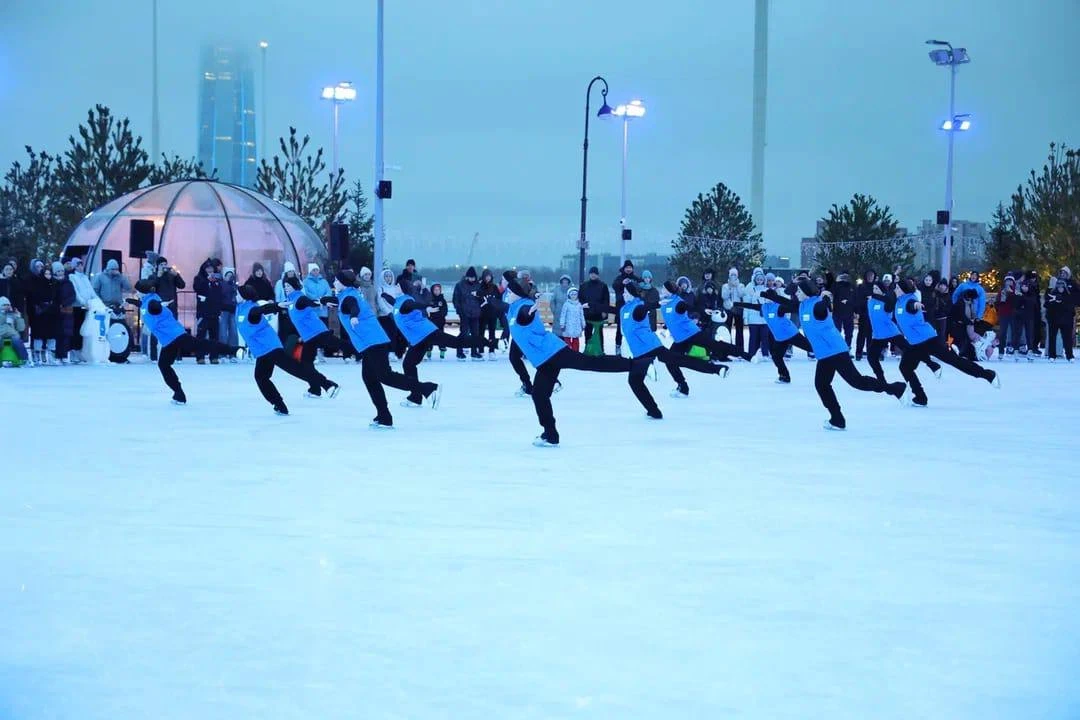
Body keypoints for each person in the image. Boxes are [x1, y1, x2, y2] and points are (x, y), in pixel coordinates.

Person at [504, 276, 633, 447]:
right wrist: (486, 299)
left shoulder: (523, 307)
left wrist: (533, 308)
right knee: (539, 395)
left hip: (553, 352)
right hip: (544, 361)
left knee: (590, 363)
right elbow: (502, 306)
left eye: (510, 292)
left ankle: (633, 364)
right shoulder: (511, 308)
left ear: (516, 294)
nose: (507, 294)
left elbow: (526, 314)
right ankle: (551, 435)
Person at [795, 277, 907, 430]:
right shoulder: (803, 305)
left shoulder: (816, 305)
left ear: (806, 292)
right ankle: (837, 419)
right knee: (822, 385)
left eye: (799, 291)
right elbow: (787, 301)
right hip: (825, 353)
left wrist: (826, 298)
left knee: (856, 382)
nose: (796, 293)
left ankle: (894, 388)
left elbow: (823, 308)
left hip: (835, 351)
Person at [335, 271, 439, 429]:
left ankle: (426, 388)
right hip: (373, 341)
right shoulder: (350, 294)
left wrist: (354, 316)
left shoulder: (349, 298)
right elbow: (346, 302)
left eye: (336, 280)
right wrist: (326, 300)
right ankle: (384, 416)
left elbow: (352, 306)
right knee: (370, 378)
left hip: (373, 342)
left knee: (385, 376)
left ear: (343, 283)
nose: (334, 283)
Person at [125, 280, 239, 405]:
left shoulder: (152, 302)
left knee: (201, 346)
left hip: (175, 337)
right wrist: (134, 302)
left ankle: (232, 350)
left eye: (137, 291)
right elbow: (145, 305)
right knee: (165, 364)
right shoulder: (147, 301)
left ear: (142, 292)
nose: (136, 293)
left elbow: (154, 306)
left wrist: (158, 306)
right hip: (170, 340)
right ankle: (178, 394)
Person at [619, 281, 727, 408]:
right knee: (677, 361)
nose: (623, 294)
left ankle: (655, 405)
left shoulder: (638, 306)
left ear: (631, 294)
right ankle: (702, 376)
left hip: (648, 348)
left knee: (635, 380)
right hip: (644, 348)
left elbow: (644, 308)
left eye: (626, 292)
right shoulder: (625, 308)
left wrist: (656, 304)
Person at [894, 278, 999, 407]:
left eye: (898, 288)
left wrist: (917, 306)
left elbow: (913, 305)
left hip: (928, 340)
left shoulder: (910, 300)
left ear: (904, 290)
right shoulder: (899, 301)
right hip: (915, 343)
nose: (895, 290)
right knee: (905, 367)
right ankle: (920, 398)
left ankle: (988, 374)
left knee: (954, 360)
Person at [236, 284, 338, 415]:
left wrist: (276, 306)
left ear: (244, 296)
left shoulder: (251, 309)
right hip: (262, 351)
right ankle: (279, 405)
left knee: (296, 369)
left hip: (271, 348)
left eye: (237, 294)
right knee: (261, 377)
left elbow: (262, 309)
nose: (235, 296)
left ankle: (328, 385)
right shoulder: (240, 308)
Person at [384, 289, 472, 406]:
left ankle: (420, 394)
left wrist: (426, 307)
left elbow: (414, 305)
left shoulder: (406, 301)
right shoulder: (398, 302)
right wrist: (383, 295)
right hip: (420, 336)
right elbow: (393, 301)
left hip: (422, 335)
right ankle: (416, 396)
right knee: (409, 364)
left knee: (408, 364)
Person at [736, 277, 812, 384]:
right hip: (780, 338)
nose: (767, 300)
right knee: (776, 356)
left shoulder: (779, 307)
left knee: (811, 348)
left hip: (791, 334)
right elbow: (751, 306)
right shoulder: (764, 307)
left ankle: (830, 354)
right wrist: (735, 304)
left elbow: (793, 308)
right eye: (766, 298)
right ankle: (784, 376)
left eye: (770, 298)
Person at [864, 283, 942, 383]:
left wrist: (875, 296)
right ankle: (881, 379)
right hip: (878, 335)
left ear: (882, 290)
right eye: (874, 288)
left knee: (911, 350)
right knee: (871, 357)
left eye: (877, 288)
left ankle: (932, 365)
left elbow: (890, 303)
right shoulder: (870, 301)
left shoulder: (886, 301)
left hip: (891, 332)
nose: (874, 290)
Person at [662, 280, 751, 363]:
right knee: (671, 359)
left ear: (668, 290)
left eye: (664, 288)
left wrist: (703, 310)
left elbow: (691, 307)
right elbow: (671, 319)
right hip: (680, 338)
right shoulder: (665, 303)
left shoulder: (678, 302)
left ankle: (745, 355)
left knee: (715, 345)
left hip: (691, 333)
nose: (662, 290)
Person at [285, 286, 344, 396]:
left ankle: (327, 386)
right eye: (285, 286)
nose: (286, 288)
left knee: (340, 345)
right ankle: (316, 389)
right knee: (306, 365)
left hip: (317, 332)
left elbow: (310, 302)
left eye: (288, 286)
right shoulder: (289, 301)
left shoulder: (299, 298)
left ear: (295, 286)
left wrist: (321, 302)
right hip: (309, 336)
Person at [67, 256, 98, 363]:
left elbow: (91, 291)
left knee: (83, 330)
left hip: (87, 307)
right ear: (75, 267)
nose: (81, 267)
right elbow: (76, 292)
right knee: (76, 329)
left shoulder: (85, 277)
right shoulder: (72, 277)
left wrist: (98, 302)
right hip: (77, 307)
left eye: (81, 265)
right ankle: (72, 351)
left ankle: (80, 351)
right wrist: (83, 302)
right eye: (79, 265)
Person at [193, 259, 223, 364]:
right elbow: (197, 288)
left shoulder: (217, 280)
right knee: (201, 335)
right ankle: (200, 357)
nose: (209, 270)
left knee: (214, 335)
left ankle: (214, 356)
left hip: (215, 312)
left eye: (211, 268)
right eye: (207, 268)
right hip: (203, 312)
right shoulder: (199, 278)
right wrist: (207, 281)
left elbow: (220, 294)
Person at [451, 266, 482, 360]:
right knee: (464, 332)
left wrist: (479, 297)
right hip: (464, 313)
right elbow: (456, 299)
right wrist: (459, 310)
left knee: (475, 333)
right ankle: (459, 352)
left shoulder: (478, 285)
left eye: (474, 277)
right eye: (470, 277)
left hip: (475, 313)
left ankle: (474, 352)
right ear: (467, 277)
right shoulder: (460, 285)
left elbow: (481, 298)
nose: (472, 279)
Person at [611, 259, 640, 356]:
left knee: (633, 327)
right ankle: (618, 347)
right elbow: (614, 286)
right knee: (620, 328)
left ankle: (635, 348)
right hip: (622, 306)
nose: (628, 269)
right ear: (624, 268)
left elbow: (642, 288)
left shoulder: (635, 278)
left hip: (634, 307)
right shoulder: (619, 278)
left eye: (630, 267)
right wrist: (622, 283)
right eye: (627, 267)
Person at [1044, 277, 1076, 362]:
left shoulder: (1069, 295)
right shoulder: (1051, 293)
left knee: (1067, 338)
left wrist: (1061, 300)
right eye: (1059, 286)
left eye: (1062, 286)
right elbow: (1046, 305)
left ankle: (1069, 355)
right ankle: (1052, 355)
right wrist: (1054, 301)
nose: (1060, 288)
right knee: (1052, 337)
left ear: (1065, 287)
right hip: (1053, 320)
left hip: (1066, 321)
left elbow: (1071, 307)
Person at [579, 266, 610, 354]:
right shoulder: (584, 285)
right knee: (587, 332)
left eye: (595, 274)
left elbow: (606, 299)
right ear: (589, 274)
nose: (593, 275)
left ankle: (601, 350)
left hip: (598, 313)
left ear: (598, 275)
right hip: (587, 313)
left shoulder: (603, 285)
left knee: (599, 332)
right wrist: (582, 308)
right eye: (591, 273)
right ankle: (588, 349)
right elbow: (580, 298)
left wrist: (605, 311)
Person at [742, 268, 770, 359]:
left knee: (765, 337)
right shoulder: (750, 289)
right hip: (753, 318)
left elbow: (769, 304)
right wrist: (745, 317)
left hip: (764, 318)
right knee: (753, 338)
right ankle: (752, 353)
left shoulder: (767, 290)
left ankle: (765, 354)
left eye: (761, 279)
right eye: (758, 279)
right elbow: (747, 304)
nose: (759, 281)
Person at [52, 262, 76, 365]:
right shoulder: (52, 283)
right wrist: (58, 304)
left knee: (66, 334)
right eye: (58, 271)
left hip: (67, 310)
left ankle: (64, 355)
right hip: (56, 311)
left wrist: (66, 303)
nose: (60, 273)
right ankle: (57, 355)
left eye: (61, 270)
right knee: (58, 334)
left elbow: (73, 295)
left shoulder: (68, 282)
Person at [478, 269, 502, 358]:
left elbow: (499, 299)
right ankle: (480, 349)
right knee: (481, 332)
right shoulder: (480, 286)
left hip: (492, 313)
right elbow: (477, 298)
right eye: (486, 276)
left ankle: (491, 350)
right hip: (482, 313)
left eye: (489, 276)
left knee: (492, 332)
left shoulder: (494, 287)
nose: (488, 278)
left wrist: (496, 307)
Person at [720, 268, 745, 354]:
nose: (733, 276)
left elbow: (742, 294)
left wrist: (736, 286)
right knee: (728, 329)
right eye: (732, 275)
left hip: (738, 309)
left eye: (735, 275)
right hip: (728, 309)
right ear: (729, 276)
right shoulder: (725, 286)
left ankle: (739, 349)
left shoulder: (741, 285)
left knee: (739, 329)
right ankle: (728, 348)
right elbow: (724, 296)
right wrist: (730, 287)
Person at [854, 269, 877, 360]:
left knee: (871, 334)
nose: (870, 278)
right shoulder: (861, 287)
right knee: (862, 334)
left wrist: (872, 298)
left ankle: (870, 352)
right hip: (863, 313)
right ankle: (858, 353)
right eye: (869, 276)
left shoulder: (875, 286)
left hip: (873, 314)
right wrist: (858, 311)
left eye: (872, 276)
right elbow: (857, 299)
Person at [828, 271, 856, 347]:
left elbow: (856, 298)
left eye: (846, 276)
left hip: (849, 313)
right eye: (843, 276)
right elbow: (830, 293)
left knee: (849, 332)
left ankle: (848, 347)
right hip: (837, 312)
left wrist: (849, 302)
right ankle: (837, 347)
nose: (844, 278)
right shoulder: (835, 285)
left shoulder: (852, 286)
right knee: (836, 331)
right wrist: (837, 281)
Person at [0, 296, 28, 365]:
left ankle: (24, 360)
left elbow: (21, 328)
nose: (7, 306)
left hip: (12, 334)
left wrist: (19, 317)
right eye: (4, 305)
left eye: (8, 305)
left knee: (17, 341)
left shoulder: (13, 315)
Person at [219, 268, 239, 359]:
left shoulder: (235, 286)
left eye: (231, 275)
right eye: (228, 275)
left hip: (233, 310)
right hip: (223, 310)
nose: (230, 277)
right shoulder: (222, 285)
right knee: (223, 332)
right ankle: (222, 352)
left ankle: (233, 352)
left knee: (233, 331)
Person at [427, 283, 449, 359]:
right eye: (435, 290)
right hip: (431, 322)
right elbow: (427, 310)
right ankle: (428, 350)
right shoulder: (429, 299)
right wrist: (431, 313)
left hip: (440, 322)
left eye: (438, 290)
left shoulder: (442, 300)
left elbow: (445, 311)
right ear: (432, 290)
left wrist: (438, 314)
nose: (437, 291)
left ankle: (442, 351)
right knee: (430, 337)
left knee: (441, 337)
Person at [559, 286, 585, 351]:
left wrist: (583, 324)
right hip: (568, 325)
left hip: (576, 326)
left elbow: (581, 315)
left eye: (575, 294)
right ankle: (568, 352)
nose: (574, 296)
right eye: (572, 294)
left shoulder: (579, 305)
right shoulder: (566, 304)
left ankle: (575, 352)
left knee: (575, 340)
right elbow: (563, 315)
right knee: (567, 340)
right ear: (569, 295)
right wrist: (562, 324)